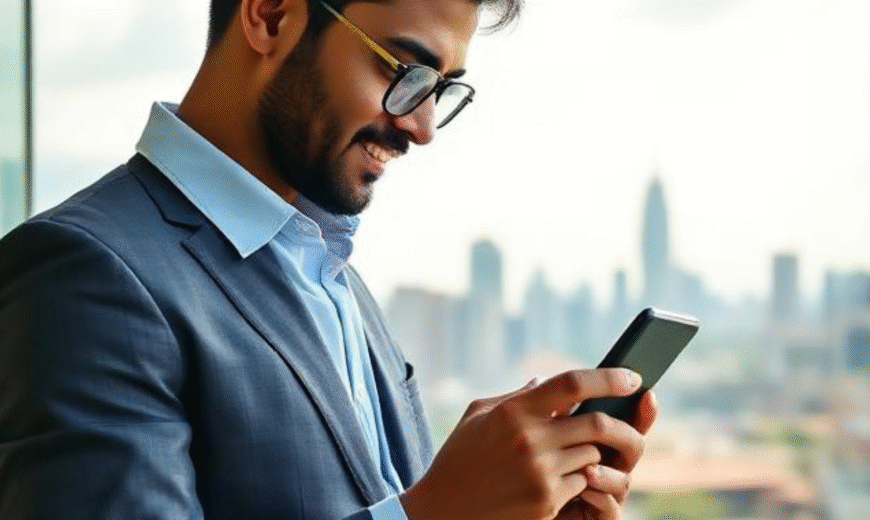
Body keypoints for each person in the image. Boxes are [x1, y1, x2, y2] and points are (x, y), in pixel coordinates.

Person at [0, 0, 658, 518]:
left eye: (443, 91)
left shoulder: (334, 276)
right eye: (404, 72)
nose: (422, 126)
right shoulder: (82, 272)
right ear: (272, 15)